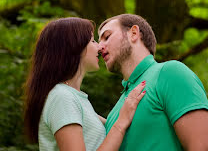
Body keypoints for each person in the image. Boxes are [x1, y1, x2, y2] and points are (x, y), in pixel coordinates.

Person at [24, 17, 146, 151]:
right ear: (74, 46)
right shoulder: (62, 97)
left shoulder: (75, 98)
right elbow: (118, 126)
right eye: (93, 41)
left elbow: (111, 127)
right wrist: (121, 123)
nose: (99, 47)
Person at [98, 13, 208, 151]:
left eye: (107, 37)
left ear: (133, 33)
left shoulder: (170, 73)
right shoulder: (116, 112)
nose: (99, 47)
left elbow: (201, 146)